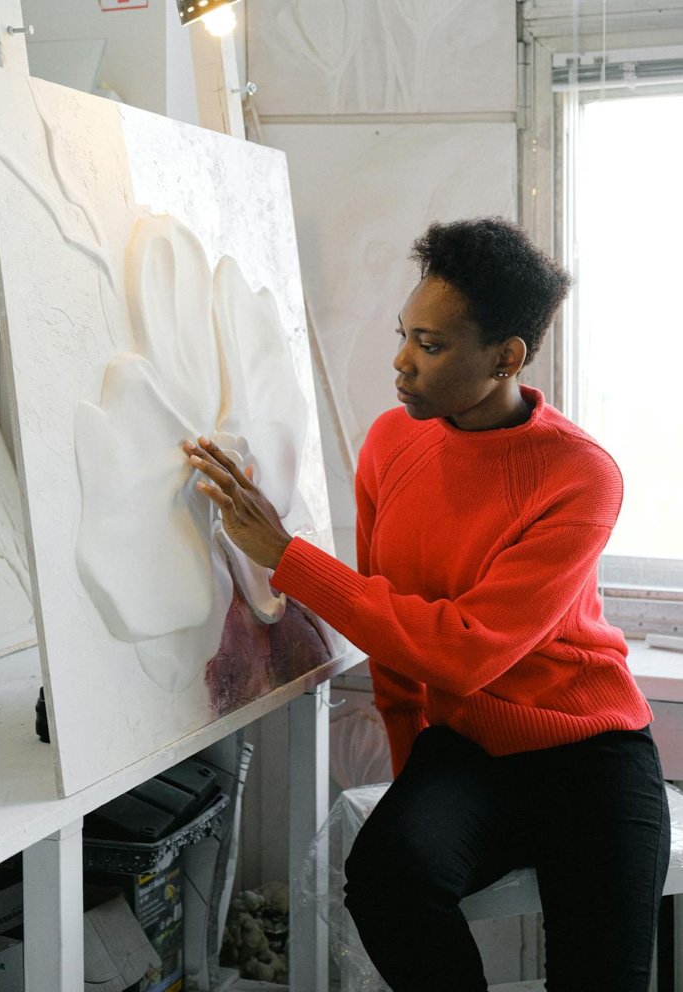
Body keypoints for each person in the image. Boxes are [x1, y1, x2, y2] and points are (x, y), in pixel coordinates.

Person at [184, 216, 670, 992]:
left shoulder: (581, 475)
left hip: (591, 757)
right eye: (404, 334)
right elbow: (392, 626)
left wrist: (287, 557)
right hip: (468, 751)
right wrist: (416, 777)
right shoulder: (390, 443)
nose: (401, 361)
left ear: (506, 357)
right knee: (387, 878)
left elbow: (465, 650)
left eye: (431, 345)